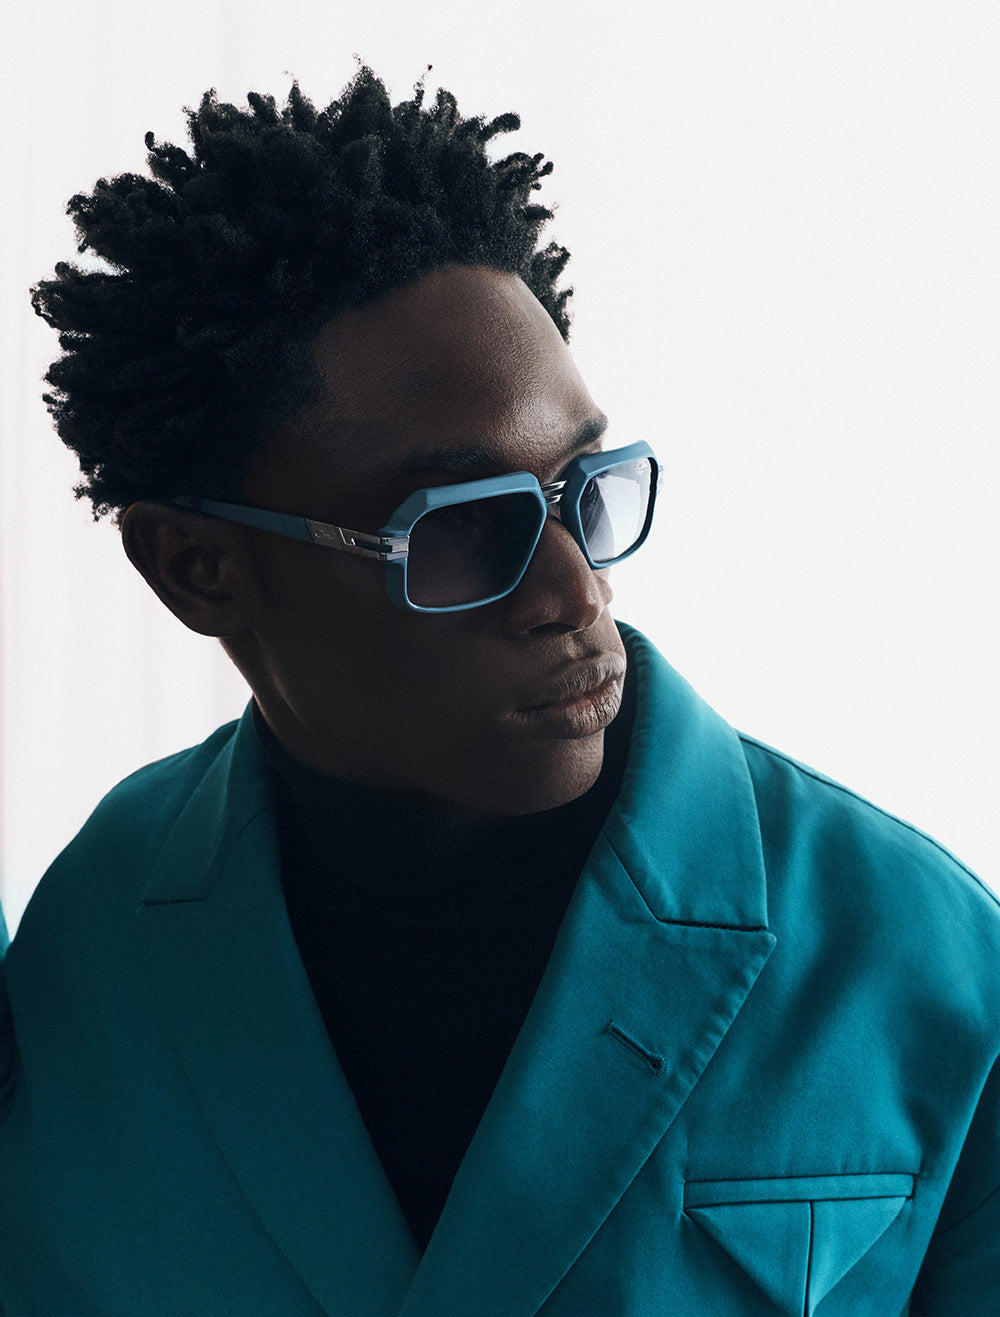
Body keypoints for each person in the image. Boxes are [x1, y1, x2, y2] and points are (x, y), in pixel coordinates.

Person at [1, 67, 997, 1316]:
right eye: (464, 527)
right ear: (197, 568)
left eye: (585, 490)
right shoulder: (86, 953)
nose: (577, 593)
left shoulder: (918, 954)